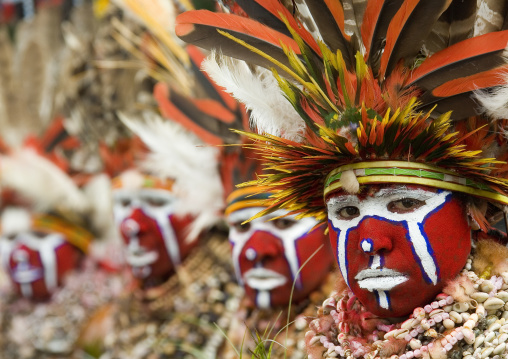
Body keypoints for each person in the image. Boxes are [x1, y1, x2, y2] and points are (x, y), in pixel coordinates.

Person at [176, 0, 508, 357]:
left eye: (405, 202)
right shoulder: (319, 344)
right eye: (347, 212)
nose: (370, 242)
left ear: (473, 212)